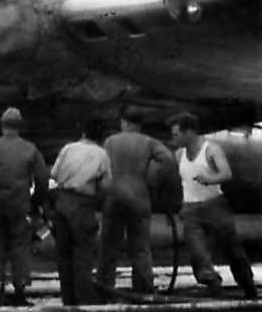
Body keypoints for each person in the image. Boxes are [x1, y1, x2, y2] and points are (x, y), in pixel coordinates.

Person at [168, 113, 257, 299]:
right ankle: (211, 281)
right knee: (197, 250)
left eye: (177, 134)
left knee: (231, 248)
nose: (173, 137)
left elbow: (226, 173)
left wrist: (210, 178)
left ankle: (247, 285)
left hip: (214, 206)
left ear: (189, 132)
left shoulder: (211, 150)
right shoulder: (179, 155)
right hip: (190, 209)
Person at [97, 106, 174, 296]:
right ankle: (143, 287)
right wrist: (152, 177)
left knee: (109, 246)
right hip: (139, 197)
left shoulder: (110, 141)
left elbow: (101, 165)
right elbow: (168, 159)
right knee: (140, 247)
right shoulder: (149, 142)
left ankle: (105, 286)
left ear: (124, 122)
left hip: (114, 196)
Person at [0, 107, 49, 306]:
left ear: (1, 125)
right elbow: (42, 179)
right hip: (19, 205)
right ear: (20, 126)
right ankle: (19, 291)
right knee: (20, 248)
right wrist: (35, 202)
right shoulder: (30, 149)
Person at [50, 118, 112, 306]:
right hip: (83, 205)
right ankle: (84, 297)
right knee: (83, 253)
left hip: (62, 201)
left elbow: (54, 173)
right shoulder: (101, 154)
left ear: (84, 133)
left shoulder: (68, 148)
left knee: (63, 253)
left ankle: (67, 297)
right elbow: (106, 185)